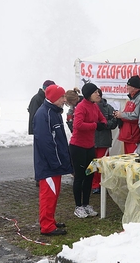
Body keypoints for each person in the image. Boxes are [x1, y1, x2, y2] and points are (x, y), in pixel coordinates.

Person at [33, 84, 73, 236]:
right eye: (62, 97)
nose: (64, 99)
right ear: (54, 98)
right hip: (49, 164)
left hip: (55, 163)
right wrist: (56, 163)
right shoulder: (44, 114)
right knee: (48, 195)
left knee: (54, 194)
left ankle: (49, 219)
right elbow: (46, 142)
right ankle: (47, 226)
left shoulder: (54, 112)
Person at [69, 83, 107, 218]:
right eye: (95, 92)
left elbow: (102, 119)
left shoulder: (94, 106)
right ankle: (78, 206)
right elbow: (77, 125)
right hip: (78, 146)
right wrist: (95, 125)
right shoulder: (81, 106)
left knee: (89, 175)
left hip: (90, 146)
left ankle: (86, 204)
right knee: (79, 177)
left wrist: (102, 123)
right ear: (88, 94)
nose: (98, 94)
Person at [92, 88, 118, 194]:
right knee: (93, 165)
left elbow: (114, 122)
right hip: (91, 142)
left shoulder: (108, 108)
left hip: (104, 141)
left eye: (98, 95)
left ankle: (104, 184)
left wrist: (104, 124)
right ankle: (94, 185)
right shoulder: (87, 107)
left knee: (103, 165)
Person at [113, 75, 140, 154]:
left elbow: (136, 116)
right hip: (128, 136)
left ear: (134, 87)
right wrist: (118, 115)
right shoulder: (132, 99)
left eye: (128, 85)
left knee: (133, 160)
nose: (127, 87)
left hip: (134, 137)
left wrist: (121, 115)